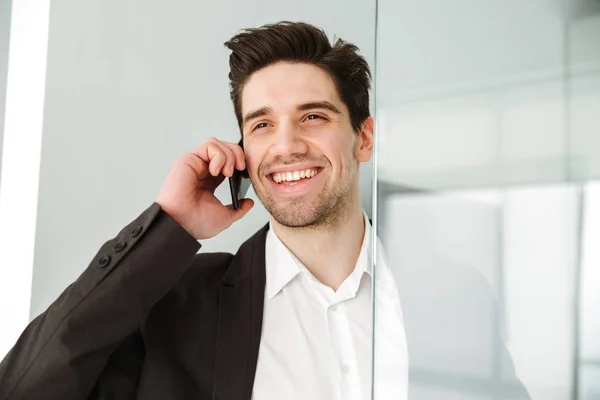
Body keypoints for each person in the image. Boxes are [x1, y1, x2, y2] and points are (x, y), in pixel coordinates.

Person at [0, 21, 408, 400]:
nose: (286, 146)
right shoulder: (174, 306)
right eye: (261, 125)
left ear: (364, 138)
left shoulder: (435, 290)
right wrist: (169, 224)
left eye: (313, 116)